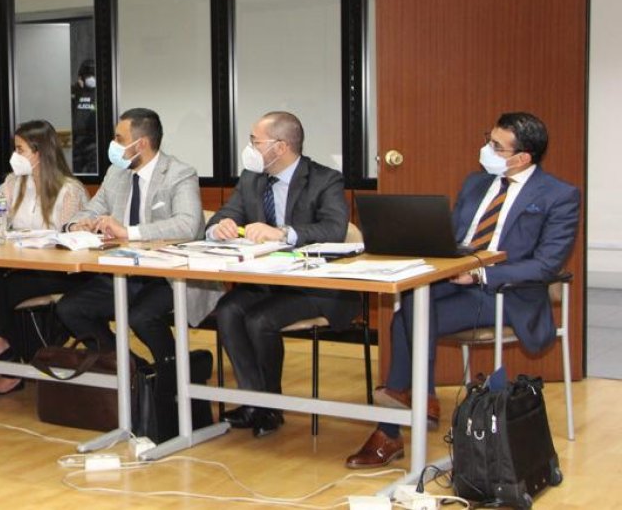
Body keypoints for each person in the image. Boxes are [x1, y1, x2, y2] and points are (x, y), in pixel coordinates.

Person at [346, 112, 580, 468]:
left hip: (505, 294)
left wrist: (481, 274)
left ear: (522, 158)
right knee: (412, 300)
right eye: (489, 139)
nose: (485, 150)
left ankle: (391, 430)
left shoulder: (560, 196)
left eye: (496, 147)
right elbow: (454, 237)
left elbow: (547, 264)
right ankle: (420, 398)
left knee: (410, 315)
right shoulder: (476, 183)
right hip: (456, 279)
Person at [208, 111, 351, 438]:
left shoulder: (325, 179)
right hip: (266, 282)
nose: (250, 148)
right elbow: (223, 214)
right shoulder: (251, 178)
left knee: (259, 320)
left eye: (255, 142)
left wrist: (282, 233)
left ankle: (268, 406)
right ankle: (252, 401)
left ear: (280, 147)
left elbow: (334, 229)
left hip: (314, 287)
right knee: (228, 310)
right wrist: (220, 227)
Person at [55, 108, 203, 364]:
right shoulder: (117, 173)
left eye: (119, 139)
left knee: (139, 316)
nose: (113, 145)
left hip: (166, 277)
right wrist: (77, 225)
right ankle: (132, 368)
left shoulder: (179, 173)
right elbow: (91, 209)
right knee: (70, 308)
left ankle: (177, 371)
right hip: (123, 272)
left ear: (141, 143)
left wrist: (129, 233)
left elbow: (188, 225)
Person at [0, 120, 90, 394]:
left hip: (62, 271)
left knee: (8, 289)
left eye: (20, 149)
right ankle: (0, 341)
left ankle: (10, 361)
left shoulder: (69, 190)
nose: (15, 156)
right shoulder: (15, 183)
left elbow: (70, 238)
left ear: (39, 152)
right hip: (24, 263)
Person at [70, 60, 98, 174]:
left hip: (94, 144)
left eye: (92, 75)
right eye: (87, 76)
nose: (90, 79)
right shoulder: (73, 92)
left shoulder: (99, 93)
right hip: (75, 143)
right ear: (80, 78)